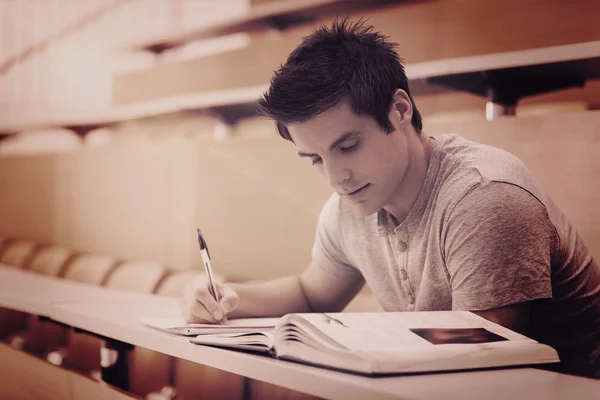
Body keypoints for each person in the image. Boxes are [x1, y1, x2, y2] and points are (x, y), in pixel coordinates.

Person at [180, 18, 600, 378]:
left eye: (347, 147)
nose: (335, 178)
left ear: (399, 110)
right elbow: (311, 294)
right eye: (315, 160)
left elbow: (483, 362)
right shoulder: (352, 204)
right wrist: (222, 297)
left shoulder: (484, 198)